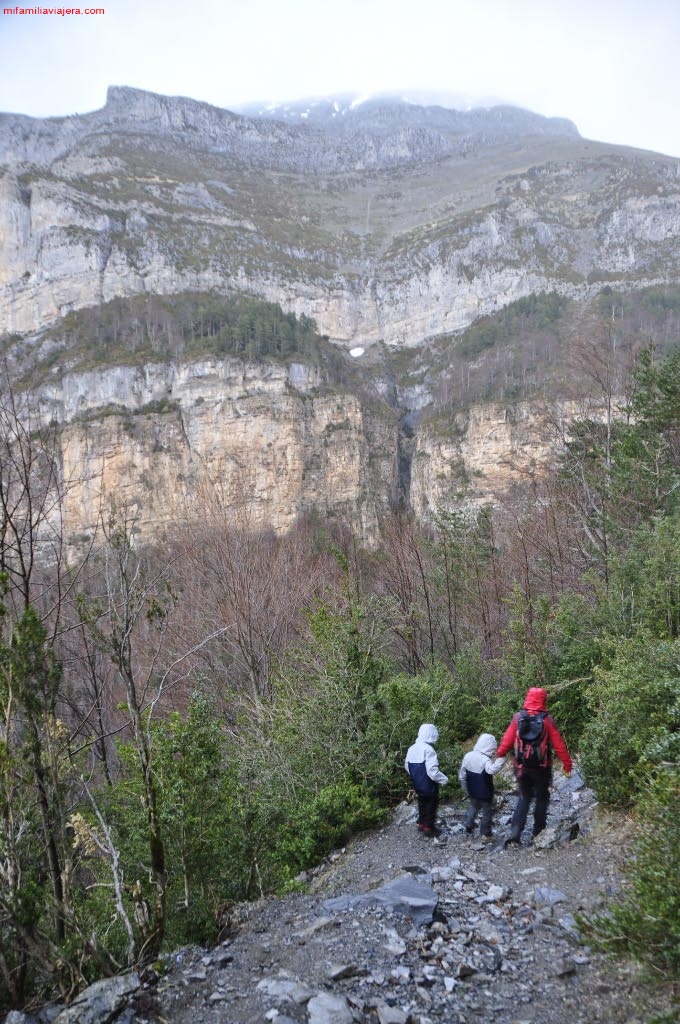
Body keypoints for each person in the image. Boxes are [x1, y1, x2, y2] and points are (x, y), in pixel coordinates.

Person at [497, 686, 572, 846]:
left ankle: (516, 831)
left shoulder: (518, 717)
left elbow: (507, 740)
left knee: (524, 796)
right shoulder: (547, 720)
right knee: (542, 797)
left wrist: (500, 753)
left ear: (528, 698)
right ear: (543, 700)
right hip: (541, 767)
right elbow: (558, 745)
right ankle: (539, 831)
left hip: (521, 766)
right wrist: (567, 764)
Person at [458, 733, 506, 838]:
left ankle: (469, 825)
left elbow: (462, 775)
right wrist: (501, 760)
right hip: (485, 791)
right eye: (492, 750)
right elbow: (491, 770)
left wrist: (464, 787)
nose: (493, 752)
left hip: (472, 790)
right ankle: (485, 831)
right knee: (487, 811)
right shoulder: (485, 759)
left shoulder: (468, 755)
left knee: (473, 807)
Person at [405, 723, 449, 836]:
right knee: (431, 804)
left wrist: (415, 776)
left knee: (422, 802)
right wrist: (443, 779)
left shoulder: (412, 748)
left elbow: (407, 765)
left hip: (417, 782)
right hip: (428, 783)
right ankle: (428, 828)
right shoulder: (429, 749)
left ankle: (421, 823)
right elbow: (432, 771)